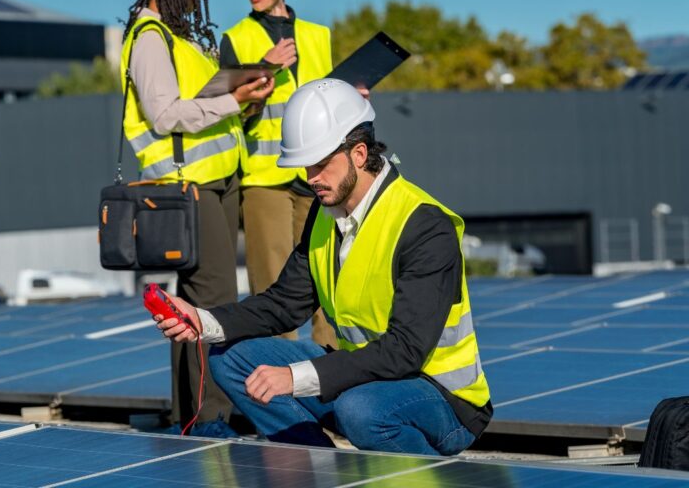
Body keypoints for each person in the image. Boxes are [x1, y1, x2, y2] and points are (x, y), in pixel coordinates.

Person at [152, 78, 492, 455]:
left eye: (320, 164)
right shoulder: (325, 214)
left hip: (439, 396)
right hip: (365, 376)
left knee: (360, 410)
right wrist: (203, 321)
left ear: (359, 154)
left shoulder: (424, 225)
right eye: (305, 166)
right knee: (231, 358)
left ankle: (427, 477)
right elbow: (284, 304)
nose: (311, 179)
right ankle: (319, 470)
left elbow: (405, 350)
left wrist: (296, 378)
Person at [121, 0, 274, 435]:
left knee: (197, 305)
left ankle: (194, 414)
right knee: (212, 304)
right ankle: (210, 419)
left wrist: (242, 100)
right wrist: (233, 99)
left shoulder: (180, 36)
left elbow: (198, 105)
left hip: (214, 182)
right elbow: (165, 115)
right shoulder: (148, 37)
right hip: (187, 188)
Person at [219, 0, 338, 347]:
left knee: (328, 280)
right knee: (272, 290)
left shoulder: (319, 37)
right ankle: (277, 391)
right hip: (264, 180)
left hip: (317, 175)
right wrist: (261, 68)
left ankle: (331, 379)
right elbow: (232, 111)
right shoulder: (236, 39)